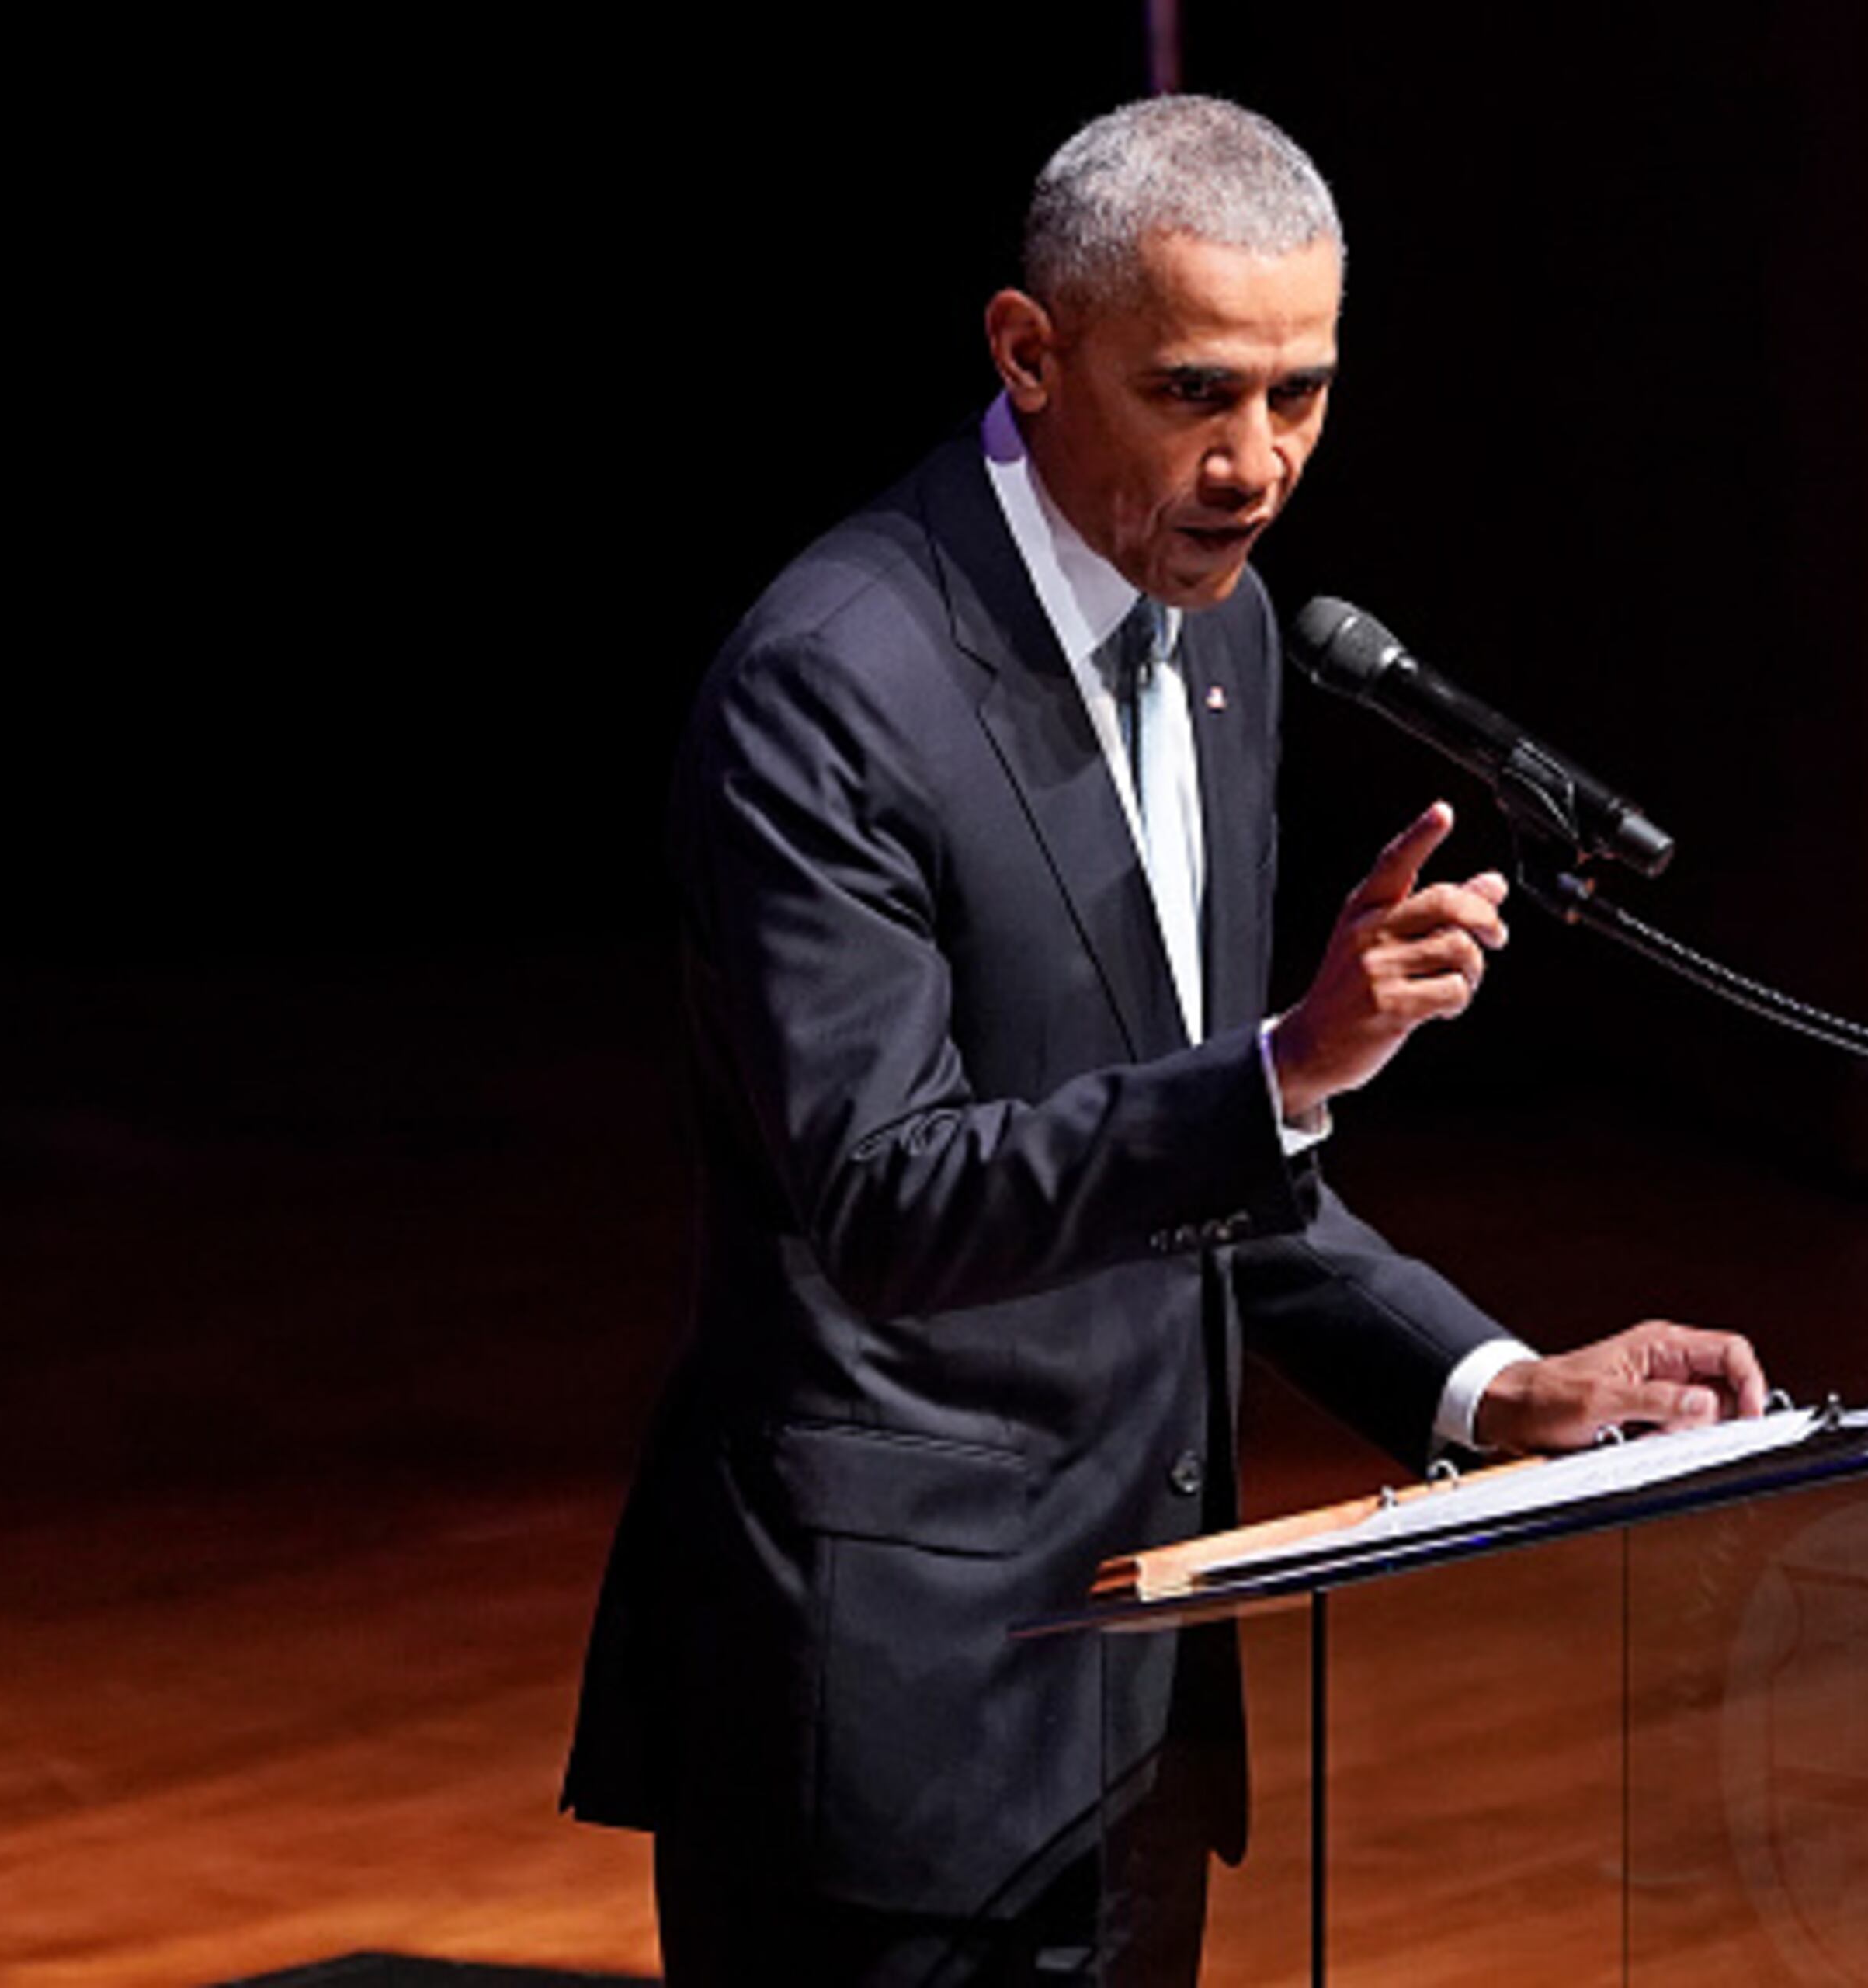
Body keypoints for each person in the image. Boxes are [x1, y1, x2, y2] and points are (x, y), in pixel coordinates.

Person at [562, 94, 1766, 1984]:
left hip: (1136, 1689)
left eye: (1303, 394)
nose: (1258, 462)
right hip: (885, 1708)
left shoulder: (1227, 643)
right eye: (1198, 391)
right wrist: (1285, 1067)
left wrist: (1491, 1378)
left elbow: (1205, 1161)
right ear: (1030, 353)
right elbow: (887, 1194)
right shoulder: (833, 685)